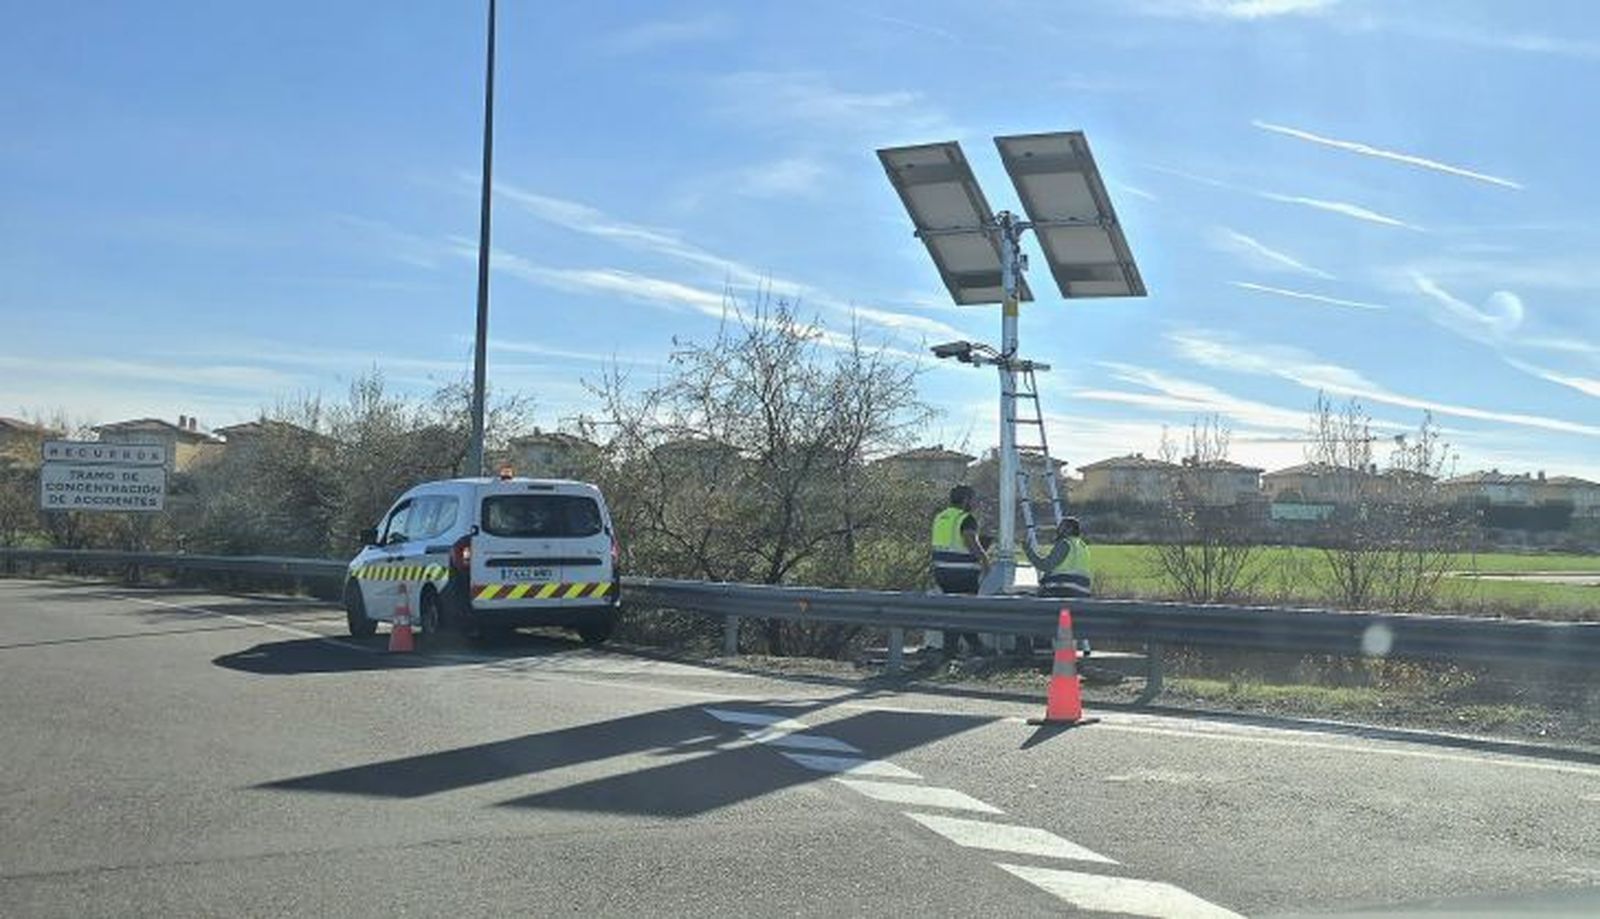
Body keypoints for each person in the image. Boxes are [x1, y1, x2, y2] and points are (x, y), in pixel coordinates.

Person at [929, 484, 988, 658]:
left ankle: (958, 649)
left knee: (954, 611)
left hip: (942, 573)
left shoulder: (940, 517)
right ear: (965, 500)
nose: (975, 502)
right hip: (963, 573)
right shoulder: (966, 518)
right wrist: (985, 560)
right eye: (973, 499)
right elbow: (970, 541)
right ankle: (971, 648)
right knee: (965, 611)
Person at [1037, 517, 1093, 598]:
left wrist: (1028, 550)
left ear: (1069, 529)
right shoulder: (1083, 546)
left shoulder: (1064, 544)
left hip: (1063, 590)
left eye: (1061, 527)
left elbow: (1045, 566)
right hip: (1082, 593)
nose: (1058, 529)